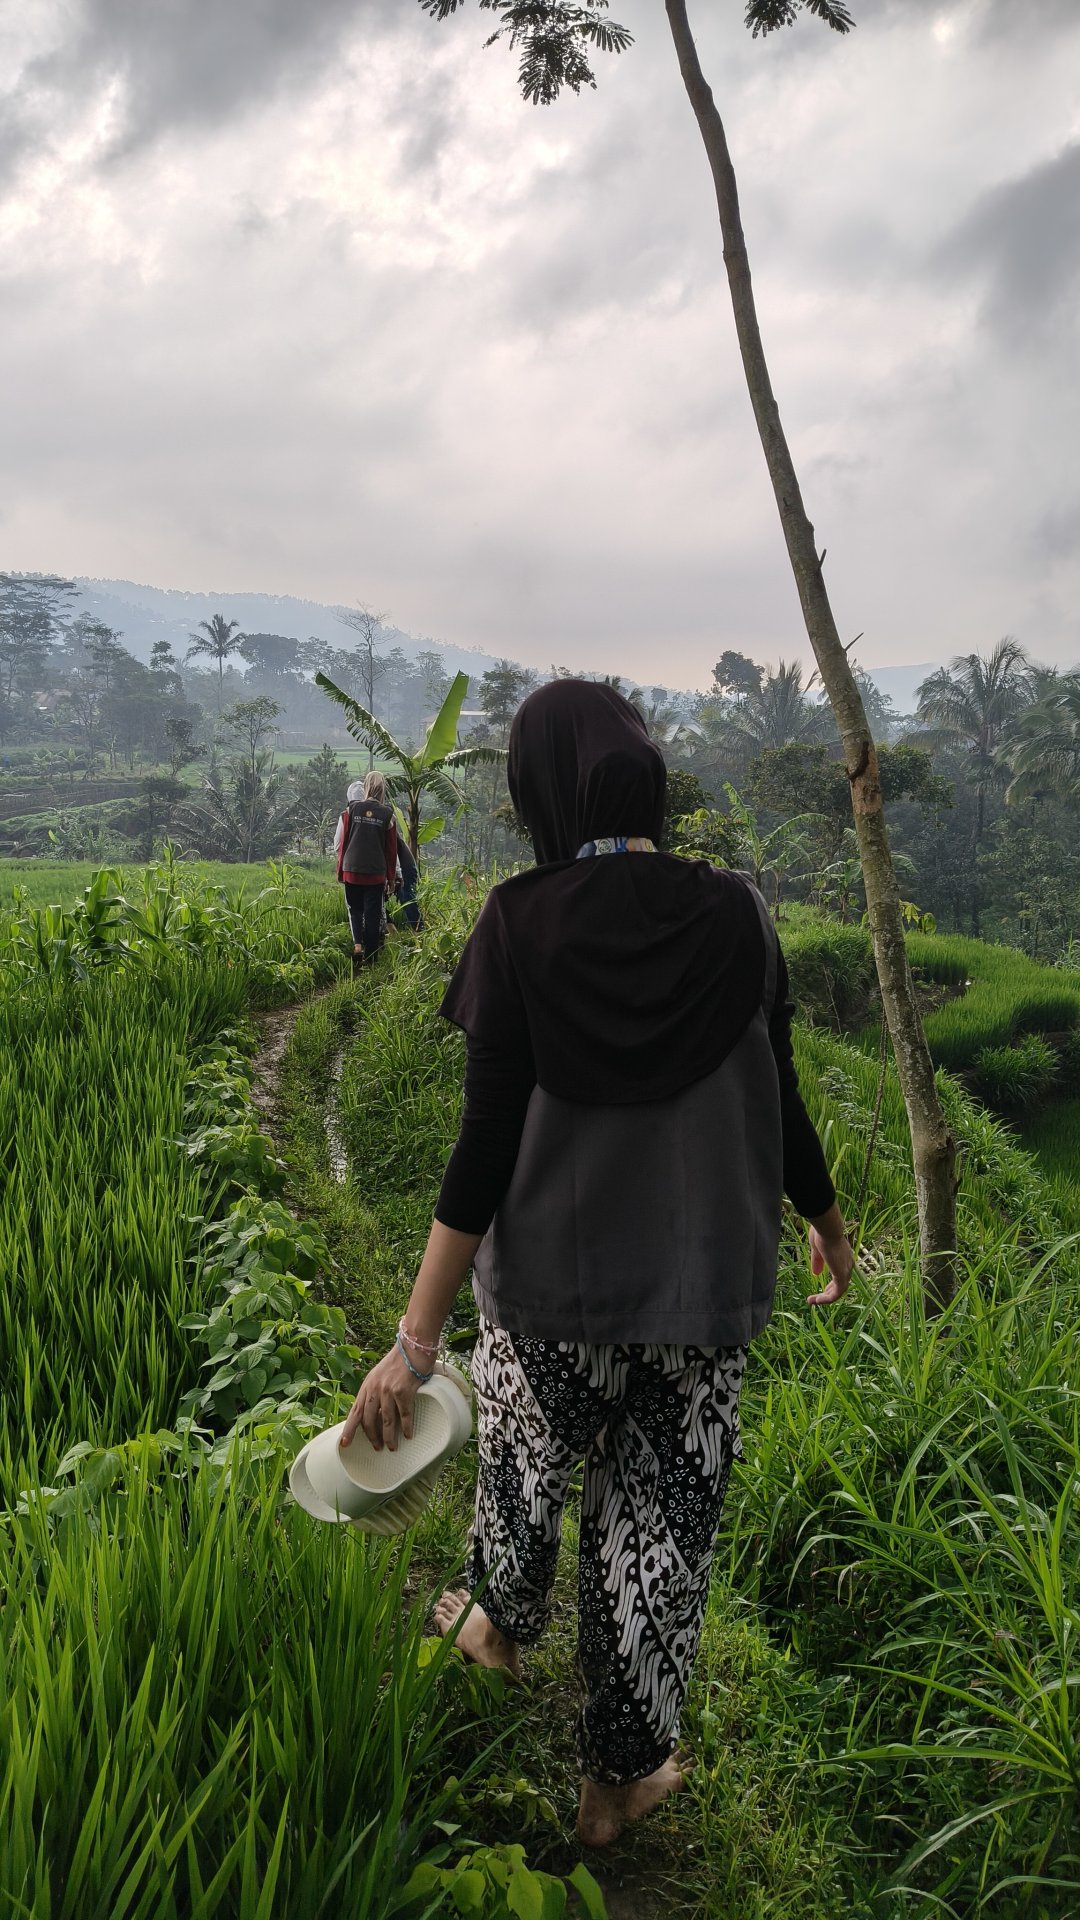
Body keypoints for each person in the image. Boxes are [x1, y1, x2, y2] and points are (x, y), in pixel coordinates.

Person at [341, 680, 853, 1848]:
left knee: (524, 1478)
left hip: (548, 1303)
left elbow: (483, 1149)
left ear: (542, 789)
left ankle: (496, 1631)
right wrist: (824, 1219)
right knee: (656, 1546)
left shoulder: (519, 924)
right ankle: (615, 1787)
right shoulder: (741, 918)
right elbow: (778, 1099)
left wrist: (414, 1346)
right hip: (702, 1302)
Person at [334, 771, 397, 975]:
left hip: (351, 868)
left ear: (367, 787)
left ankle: (358, 945)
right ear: (383, 790)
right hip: (375, 872)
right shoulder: (388, 815)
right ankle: (371, 958)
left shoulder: (351, 809)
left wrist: (341, 870)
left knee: (355, 910)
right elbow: (391, 850)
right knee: (372, 913)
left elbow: (342, 843)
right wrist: (391, 878)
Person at [393, 833, 422, 932]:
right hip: (400, 868)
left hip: (405, 868)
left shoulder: (386, 824)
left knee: (407, 899)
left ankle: (419, 931)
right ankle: (391, 930)